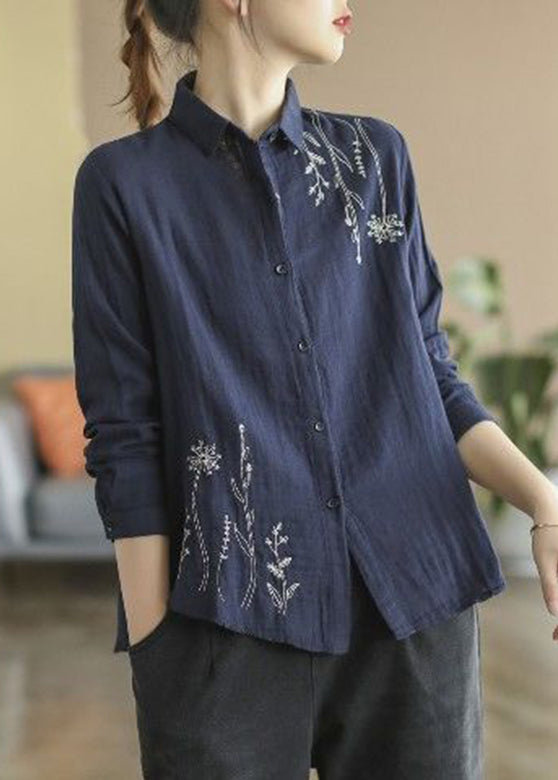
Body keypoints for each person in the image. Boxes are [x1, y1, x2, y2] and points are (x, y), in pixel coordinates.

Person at [71, 0, 558, 777]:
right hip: (223, 616)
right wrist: (159, 643)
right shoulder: (124, 185)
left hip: (413, 600)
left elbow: (428, 374)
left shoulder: (375, 159)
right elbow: (126, 431)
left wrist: (543, 499)